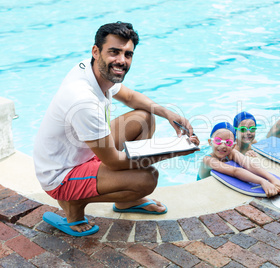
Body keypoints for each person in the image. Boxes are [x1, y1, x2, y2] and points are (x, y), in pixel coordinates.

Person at [33, 22, 199, 236]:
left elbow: (130, 97)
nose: (122, 60)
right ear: (96, 51)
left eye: (127, 54)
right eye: (114, 52)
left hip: (84, 153)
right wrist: (175, 150)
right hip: (62, 174)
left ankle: (126, 201)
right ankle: (74, 204)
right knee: (146, 178)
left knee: (144, 117)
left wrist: (169, 114)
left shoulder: (92, 70)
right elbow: (113, 161)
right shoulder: (83, 100)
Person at [197, 122, 280, 197]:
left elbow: (249, 164)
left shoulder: (231, 153)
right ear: (210, 142)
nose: (223, 146)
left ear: (233, 146)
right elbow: (235, 171)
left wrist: (272, 179)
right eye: (218, 141)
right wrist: (262, 181)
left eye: (228, 142)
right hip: (203, 190)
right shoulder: (208, 160)